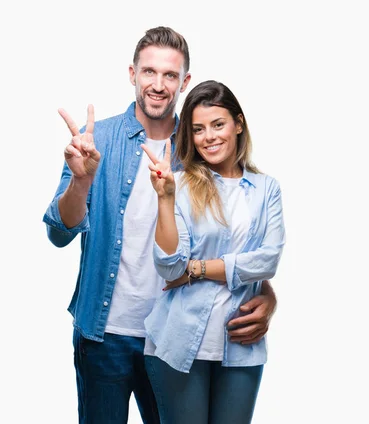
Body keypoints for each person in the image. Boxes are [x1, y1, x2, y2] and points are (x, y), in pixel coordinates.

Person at [42, 27, 278, 424]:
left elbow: (237, 233)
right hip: (105, 333)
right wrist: (81, 181)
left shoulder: (203, 146)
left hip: (177, 337)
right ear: (132, 74)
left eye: (170, 75)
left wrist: (266, 293)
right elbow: (58, 233)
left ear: (184, 82)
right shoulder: (98, 140)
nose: (158, 84)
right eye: (149, 72)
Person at [141, 80, 286, 424]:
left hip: (241, 347)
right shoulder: (180, 185)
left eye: (218, 125)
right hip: (178, 342)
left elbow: (269, 260)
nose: (209, 137)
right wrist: (165, 198)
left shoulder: (266, 189)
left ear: (238, 124)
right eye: (198, 129)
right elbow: (170, 266)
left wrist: (201, 269)